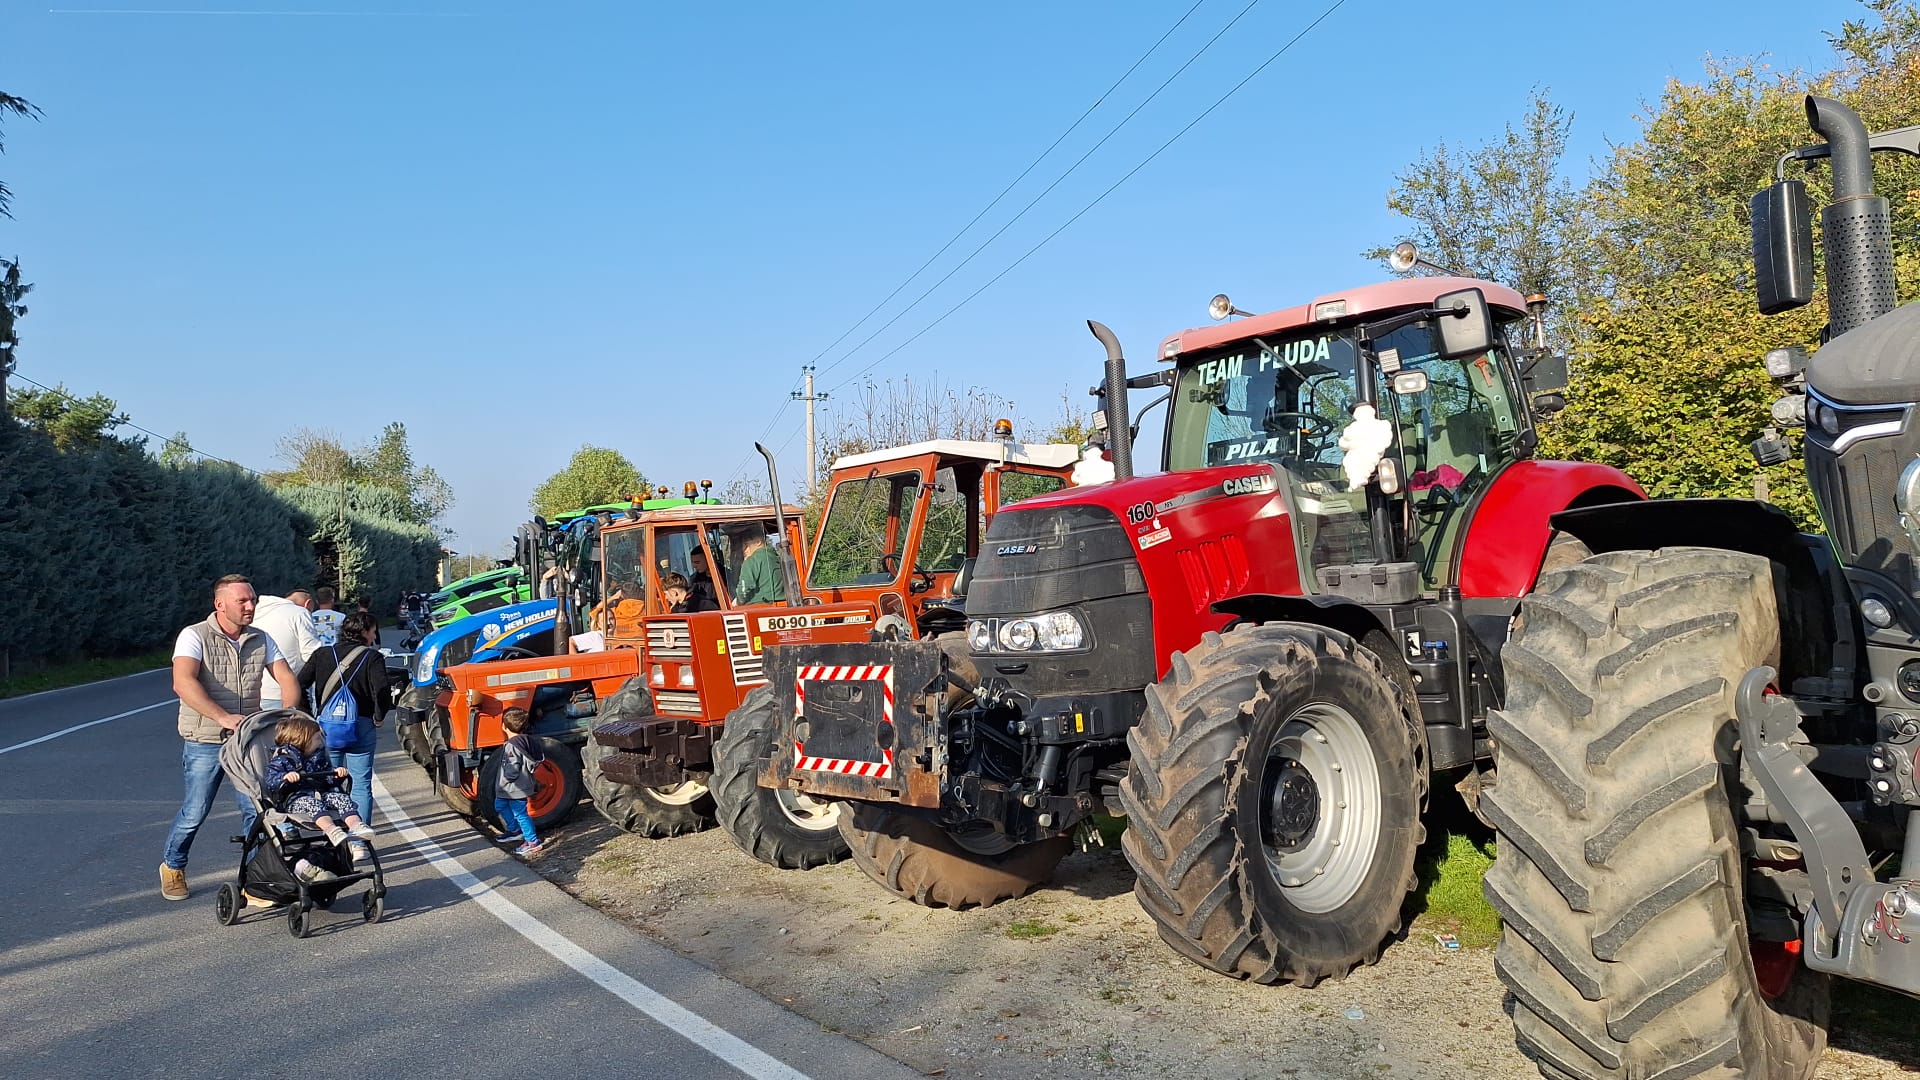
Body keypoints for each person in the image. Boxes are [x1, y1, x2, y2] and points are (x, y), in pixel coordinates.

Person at [161, 573, 300, 901]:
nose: (250, 606)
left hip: (246, 741)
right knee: (196, 810)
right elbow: (183, 682)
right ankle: (173, 865)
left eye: (253, 600)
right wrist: (222, 717)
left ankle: (257, 880)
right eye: (243, 601)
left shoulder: (261, 638)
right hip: (204, 738)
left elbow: (287, 678)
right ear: (220, 604)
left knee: (257, 810)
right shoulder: (194, 636)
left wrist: (287, 718)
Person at [296, 614, 391, 827]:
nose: (374, 636)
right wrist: (378, 716)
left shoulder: (322, 654)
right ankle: (359, 840)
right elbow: (382, 690)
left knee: (329, 782)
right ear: (365, 632)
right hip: (361, 725)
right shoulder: (372, 657)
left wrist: (308, 714)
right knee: (361, 783)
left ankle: (335, 838)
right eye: (373, 631)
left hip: (327, 728)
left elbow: (299, 683)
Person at [264, 714, 376, 881]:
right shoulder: (282, 759)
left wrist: (336, 775)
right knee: (312, 804)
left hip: (319, 793)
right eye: (317, 739)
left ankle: (356, 825)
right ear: (303, 740)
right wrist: (285, 778)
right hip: (295, 799)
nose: (320, 742)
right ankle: (331, 830)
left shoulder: (317, 757)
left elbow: (326, 779)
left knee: (341, 798)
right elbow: (270, 782)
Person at [253, 590, 321, 707]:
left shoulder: (256, 611)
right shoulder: (300, 613)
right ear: (308, 604)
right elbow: (312, 655)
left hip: (255, 692)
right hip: (288, 692)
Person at [493, 707, 546, 856]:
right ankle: (514, 830)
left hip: (514, 787)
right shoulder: (526, 741)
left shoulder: (512, 745)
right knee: (500, 805)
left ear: (504, 726)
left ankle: (532, 841)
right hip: (513, 787)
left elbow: (512, 767)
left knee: (520, 814)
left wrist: (504, 782)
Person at [731, 526, 785, 606]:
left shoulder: (753, 560)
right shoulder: (777, 558)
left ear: (758, 542)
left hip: (760, 606)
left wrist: (738, 601)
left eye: (746, 544)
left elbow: (744, 587)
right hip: (781, 604)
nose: (744, 549)